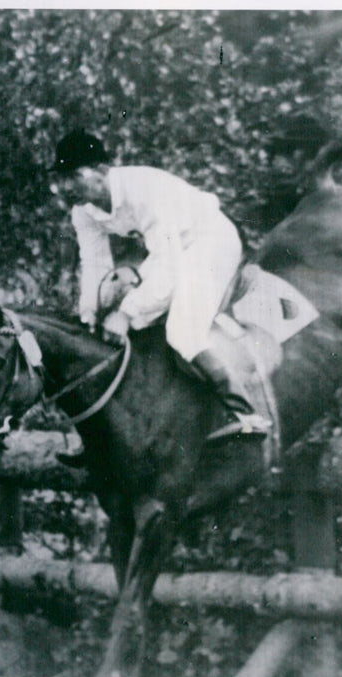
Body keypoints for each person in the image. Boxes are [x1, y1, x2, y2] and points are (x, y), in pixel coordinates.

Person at [51, 129, 270, 447]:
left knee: (181, 332)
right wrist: (89, 312)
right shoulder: (83, 212)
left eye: (74, 176)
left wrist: (127, 313)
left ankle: (247, 414)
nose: (67, 187)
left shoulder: (143, 190)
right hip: (170, 250)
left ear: (101, 170)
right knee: (110, 320)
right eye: (62, 178)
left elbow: (169, 268)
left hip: (210, 242)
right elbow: (95, 264)